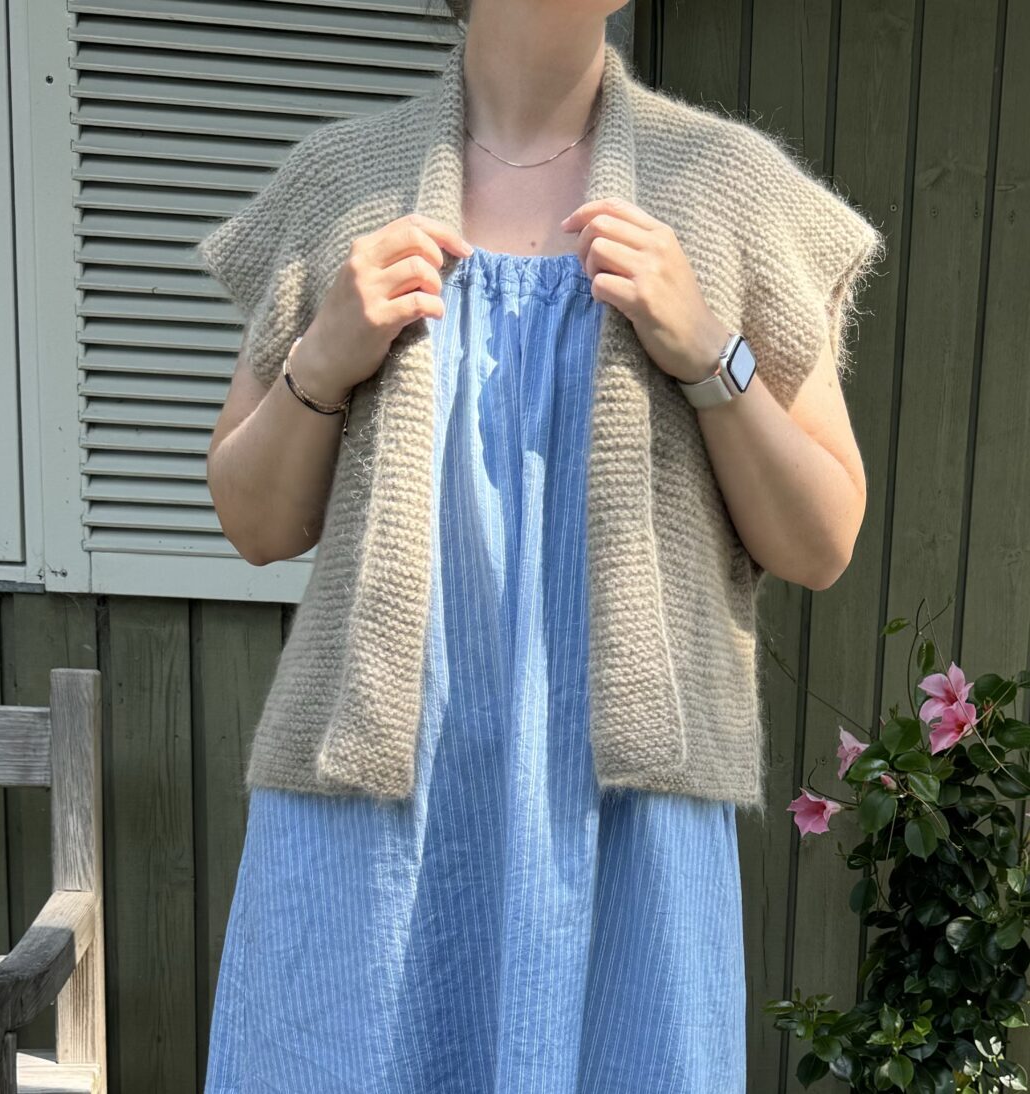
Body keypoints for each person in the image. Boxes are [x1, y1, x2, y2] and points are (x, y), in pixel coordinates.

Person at [202, 1, 879, 1090]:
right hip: (376, 837)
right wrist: (322, 357)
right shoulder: (343, 187)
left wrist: (709, 349)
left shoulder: (728, 192)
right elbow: (254, 520)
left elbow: (823, 538)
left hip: (622, 836)